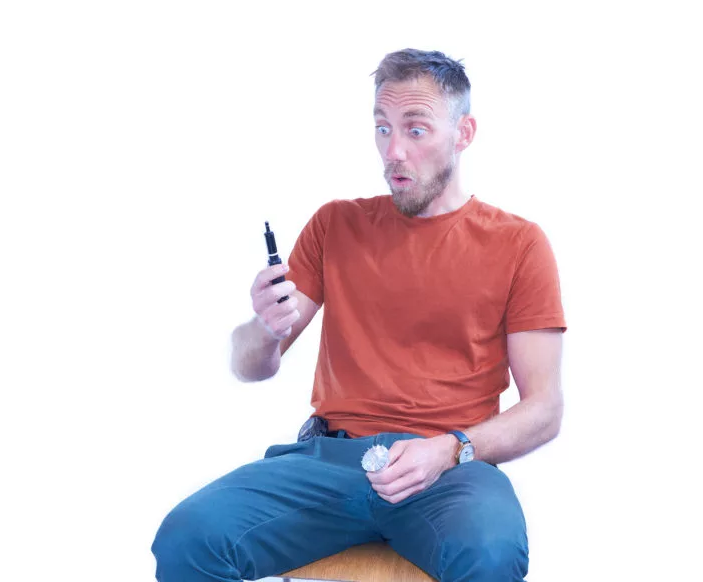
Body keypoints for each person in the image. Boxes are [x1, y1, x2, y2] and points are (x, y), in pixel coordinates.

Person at [151, 48, 566, 582]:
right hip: (330, 461)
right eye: (382, 128)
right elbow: (250, 365)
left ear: (463, 133)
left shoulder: (519, 244)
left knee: (490, 554)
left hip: (448, 469)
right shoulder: (335, 225)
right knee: (188, 538)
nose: (394, 151)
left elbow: (545, 409)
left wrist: (451, 448)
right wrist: (265, 328)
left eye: (415, 130)